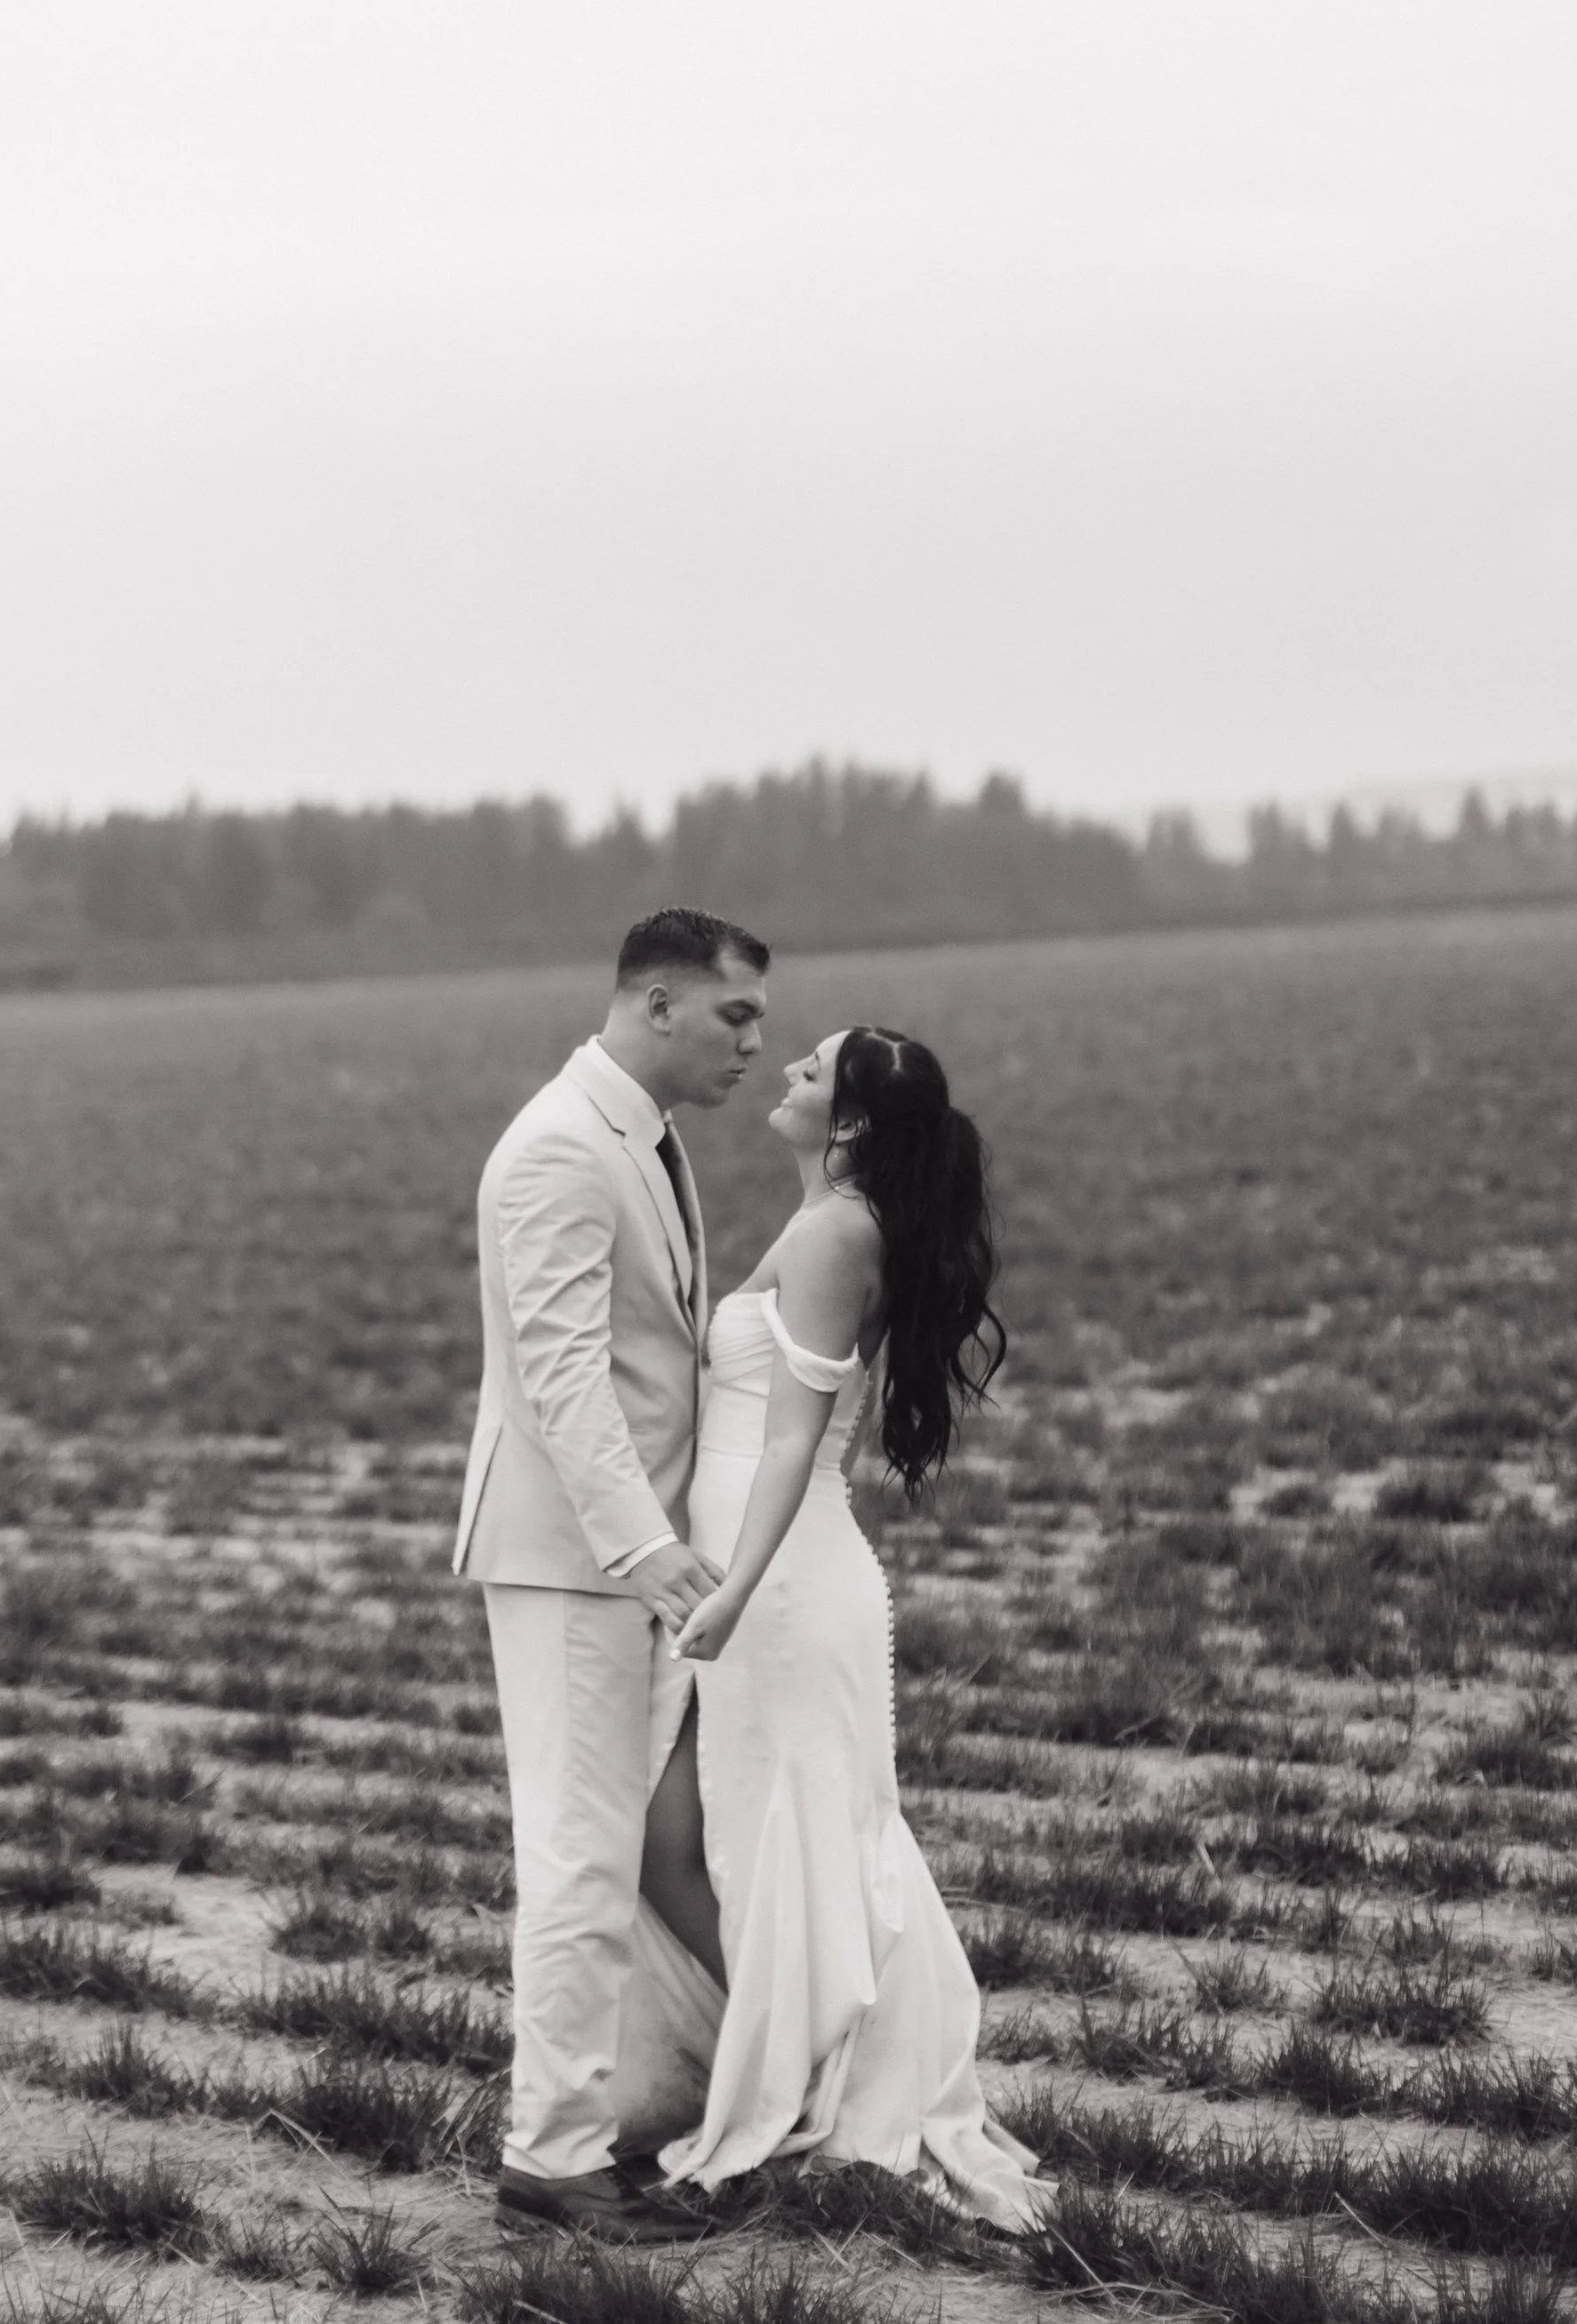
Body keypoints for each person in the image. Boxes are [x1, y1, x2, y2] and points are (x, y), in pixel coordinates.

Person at [654, 1023, 1051, 2228]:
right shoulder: (825, 1221)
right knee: (691, 1841)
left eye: (812, 1070)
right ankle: (803, 2063)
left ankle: (822, 2083)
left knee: (758, 1846)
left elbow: (790, 1436)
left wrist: (731, 1587)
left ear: (855, 1123)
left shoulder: (836, 1233)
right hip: (757, 1576)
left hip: (781, 1586)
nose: (784, 1075)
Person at [452, 906, 769, 2246]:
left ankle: (601, 2127)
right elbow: (563, 1375)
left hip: (613, 1558)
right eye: (734, 1015)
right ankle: (553, 2160)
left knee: (608, 1853)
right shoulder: (559, 1150)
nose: (757, 1040)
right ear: (652, 1003)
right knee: (581, 1859)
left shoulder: (638, 1131)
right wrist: (644, 1547)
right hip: (578, 1562)